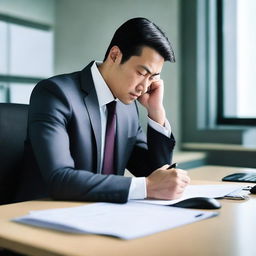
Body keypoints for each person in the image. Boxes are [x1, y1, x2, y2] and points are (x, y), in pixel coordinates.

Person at [15, 17, 190, 203]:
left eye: (152, 77)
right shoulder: (55, 93)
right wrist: (146, 186)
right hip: (45, 213)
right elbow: (60, 179)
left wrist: (156, 113)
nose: (144, 87)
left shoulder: (127, 107)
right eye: (141, 73)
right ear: (115, 55)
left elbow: (156, 176)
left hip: (102, 215)